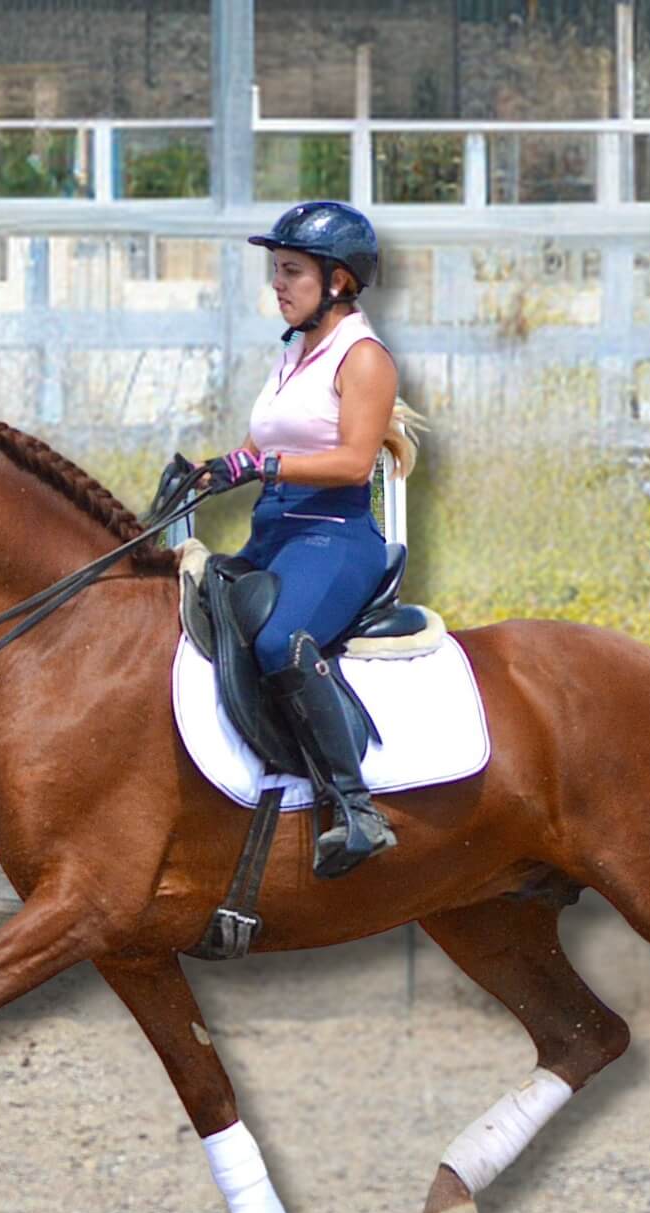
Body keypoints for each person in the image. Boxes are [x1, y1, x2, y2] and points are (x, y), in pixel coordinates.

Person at [193, 201, 419, 880]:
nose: (278, 285)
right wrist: (206, 475)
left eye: (291, 271)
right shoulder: (294, 353)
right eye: (276, 271)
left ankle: (356, 808)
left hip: (335, 534)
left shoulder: (365, 360)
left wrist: (258, 467)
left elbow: (353, 462)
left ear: (339, 281)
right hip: (276, 529)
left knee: (276, 642)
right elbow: (258, 447)